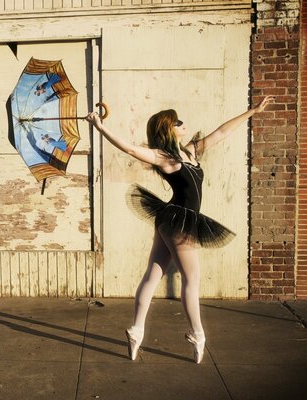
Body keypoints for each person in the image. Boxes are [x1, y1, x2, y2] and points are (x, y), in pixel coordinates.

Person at [85, 95, 274, 363]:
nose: (183, 124)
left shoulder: (191, 151)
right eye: (178, 121)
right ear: (168, 127)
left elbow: (221, 132)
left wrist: (252, 111)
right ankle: (197, 334)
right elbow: (129, 149)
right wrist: (100, 127)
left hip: (170, 219)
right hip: (178, 221)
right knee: (192, 278)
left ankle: (136, 330)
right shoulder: (163, 157)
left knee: (153, 273)